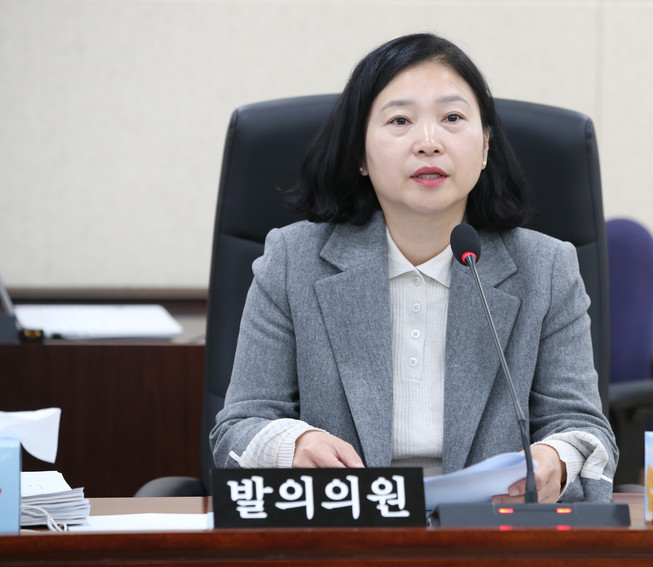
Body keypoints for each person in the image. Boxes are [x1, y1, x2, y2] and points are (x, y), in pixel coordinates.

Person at [210, 33, 617, 503]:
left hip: (488, 530)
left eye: (452, 118)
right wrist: (293, 445)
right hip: (346, 528)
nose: (428, 143)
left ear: (485, 146)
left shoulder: (545, 268)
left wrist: (556, 461)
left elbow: (585, 430)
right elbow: (237, 430)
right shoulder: (293, 261)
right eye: (400, 120)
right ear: (360, 155)